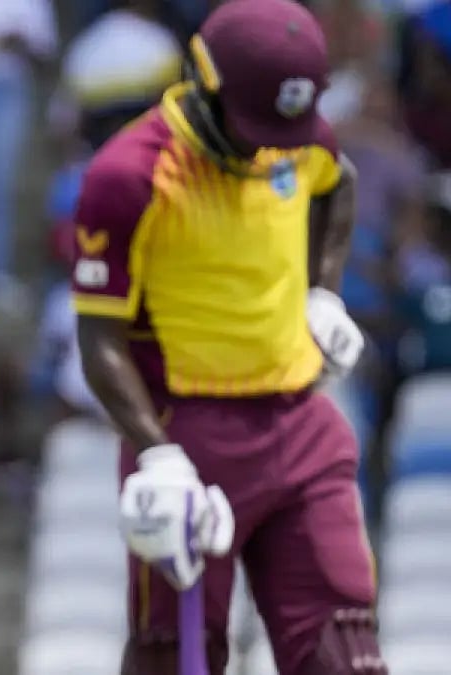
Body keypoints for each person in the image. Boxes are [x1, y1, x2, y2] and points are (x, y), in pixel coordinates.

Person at [70, 1, 388, 674]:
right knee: (177, 656)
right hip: (186, 429)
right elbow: (98, 338)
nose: (265, 145)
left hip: (302, 420)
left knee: (345, 651)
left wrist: (322, 290)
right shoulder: (129, 174)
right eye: (253, 128)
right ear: (202, 80)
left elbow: (339, 183)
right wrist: (156, 455)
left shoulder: (290, 130)